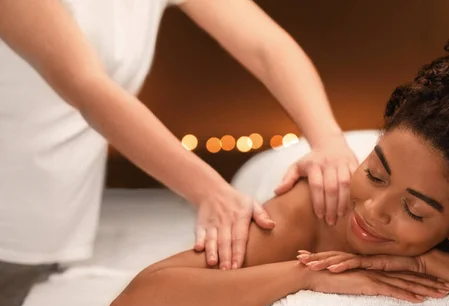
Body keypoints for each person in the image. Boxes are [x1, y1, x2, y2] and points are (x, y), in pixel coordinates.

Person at [105, 25, 449, 306]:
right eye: (377, 173)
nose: (373, 211)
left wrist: (429, 261)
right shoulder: (319, 205)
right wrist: (307, 276)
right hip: (287, 162)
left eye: (416, 212)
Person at [0, 0, 357, 270]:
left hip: (60, 226)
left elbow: (266, 48)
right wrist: (210, 193)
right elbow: (88, 87)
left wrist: (327, 139)